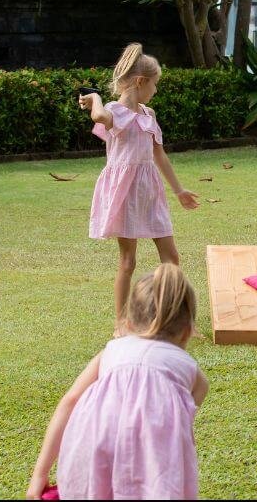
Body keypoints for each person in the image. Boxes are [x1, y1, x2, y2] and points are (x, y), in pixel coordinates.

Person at [26, 263, 209, 500]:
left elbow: (70, 401)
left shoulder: (112, 351)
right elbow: (192, 403)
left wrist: (39, 474)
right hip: (153, 462)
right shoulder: (188, 366)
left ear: (128, 324)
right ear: (187, 331)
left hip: (94, 447)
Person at [79, 43, 200, 335]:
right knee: (128, 261)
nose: (155, 90)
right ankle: (121, 324)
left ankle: (174, 317)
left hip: (150, 192)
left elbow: (159, 154)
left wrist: (179, 191)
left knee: (172, 258)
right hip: (124, 194)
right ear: (141, 82)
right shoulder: (114, 111)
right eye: (154, 84)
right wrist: (95, 98)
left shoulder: (149, 114)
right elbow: (99, 118)